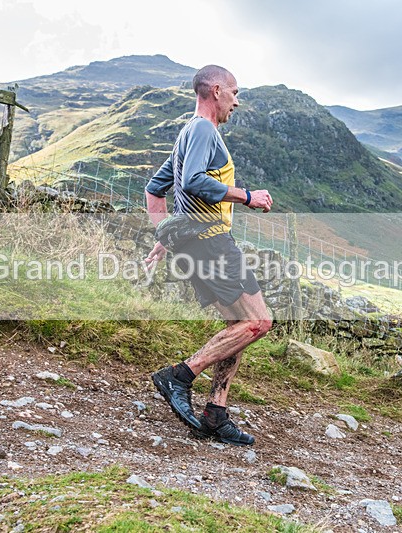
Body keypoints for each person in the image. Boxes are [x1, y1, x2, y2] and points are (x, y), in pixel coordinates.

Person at [144, 65, 273, 446]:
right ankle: (180, 375)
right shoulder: (202, 129)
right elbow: (193, 181)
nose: (237, 100)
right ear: (216, 91)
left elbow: (155, 191)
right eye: (234, 92)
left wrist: (165, 234)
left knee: (239, 327)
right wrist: (247, 196)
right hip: (212, 242)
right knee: (258, 323)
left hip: (195, 244)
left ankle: (216, 412)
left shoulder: (187, 134)